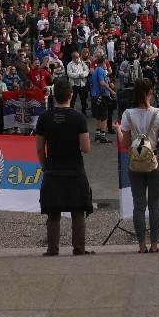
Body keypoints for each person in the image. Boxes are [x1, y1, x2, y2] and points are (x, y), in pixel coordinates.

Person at [118, 77, 159, 253]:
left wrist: (118, 132)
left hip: (135, 161)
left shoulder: (127, 114)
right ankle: (154, 245)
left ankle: (141, 245)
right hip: (156, 160)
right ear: (150, 92)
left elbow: (126, 144)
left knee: (139, 205)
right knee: (154, 204)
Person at [35, 78, 94, 256]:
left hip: (53, 168)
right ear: (70, 95)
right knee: (78, 210)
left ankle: (53, 249)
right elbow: (86, 148)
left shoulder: (45, 118)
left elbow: (39, 148)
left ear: (54, 96)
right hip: (75, 168)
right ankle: (79, 248)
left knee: (53, 211)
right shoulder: (78, 117)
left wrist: (45, 166)